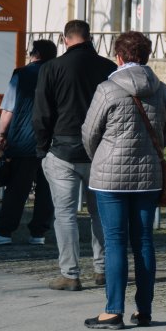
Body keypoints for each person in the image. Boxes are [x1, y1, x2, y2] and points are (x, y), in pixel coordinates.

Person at [80, 31, 166, 330]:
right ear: (146, 56)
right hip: (149, 176)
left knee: (115, 240)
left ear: (118, 57)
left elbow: (90, 133)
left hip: (110, 177)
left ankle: (113, 311)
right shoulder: (161, 89)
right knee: (144, 240)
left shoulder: (107, 89)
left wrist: (100, 157)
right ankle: (144, 310)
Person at [34, 19, 117, 290]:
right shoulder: (108, 68)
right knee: (100, 213)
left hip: (62, 148)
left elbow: (42, 113)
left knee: (65, 214)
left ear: (64, 39)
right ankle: (102, 270)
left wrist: (42, 148)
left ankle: (70, 274)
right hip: (100, 150)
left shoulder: (51, 68)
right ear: (90, 37)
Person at [0, 40, 58, 246]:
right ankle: (38, 233)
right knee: (46, 190)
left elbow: (8, 109)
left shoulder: (21, 74)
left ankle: (5, 231)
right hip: (52, 142)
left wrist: (1, 134)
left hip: (24, 141)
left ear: (35, 54)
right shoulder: (58, 73)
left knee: (17, 189)